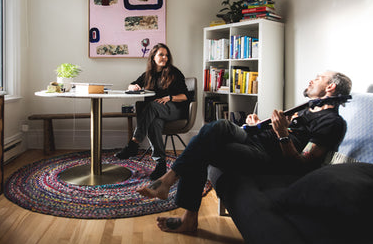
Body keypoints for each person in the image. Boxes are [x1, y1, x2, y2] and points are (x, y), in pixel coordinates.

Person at [137, 71, 352, 233]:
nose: (312, 80)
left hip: (268, 158)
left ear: (331, 87)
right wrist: (260, 124)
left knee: (201, 145)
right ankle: (169, 186)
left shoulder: (331, 122)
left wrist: (282, 135)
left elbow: (300, 165)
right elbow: (277, 131)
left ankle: (181, 206)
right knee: (218, 126)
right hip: (255, 139)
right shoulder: (306, 109)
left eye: (319, 77)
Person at [115, 43, 189, 180]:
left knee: (151, 106)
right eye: (161, 54)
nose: (165, 58)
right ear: (153, 57)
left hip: (176, 110)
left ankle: (134, 143)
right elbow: (131, 85)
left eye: (166, 55)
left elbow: (186, 96)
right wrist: (134, 87)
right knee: (154, 123)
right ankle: (160, 165)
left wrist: (170, 97)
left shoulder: (174, 73)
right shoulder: (148, 75)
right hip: (156, 113)